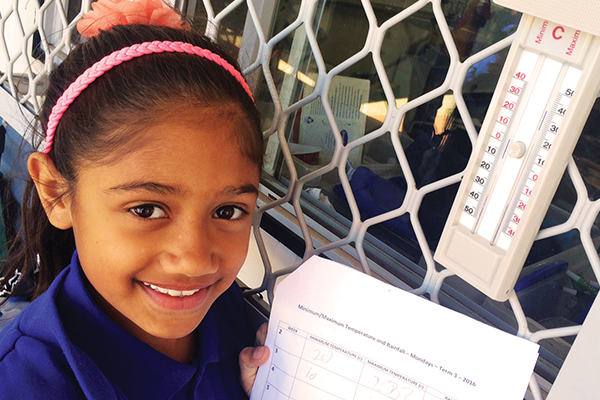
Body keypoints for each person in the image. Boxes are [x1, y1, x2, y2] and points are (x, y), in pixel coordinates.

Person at [0, 0, 269, 398]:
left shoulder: (227, 313)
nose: (195, 259)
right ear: (57, 194)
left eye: (227, 211)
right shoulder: (26, 384)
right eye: (146, 209)